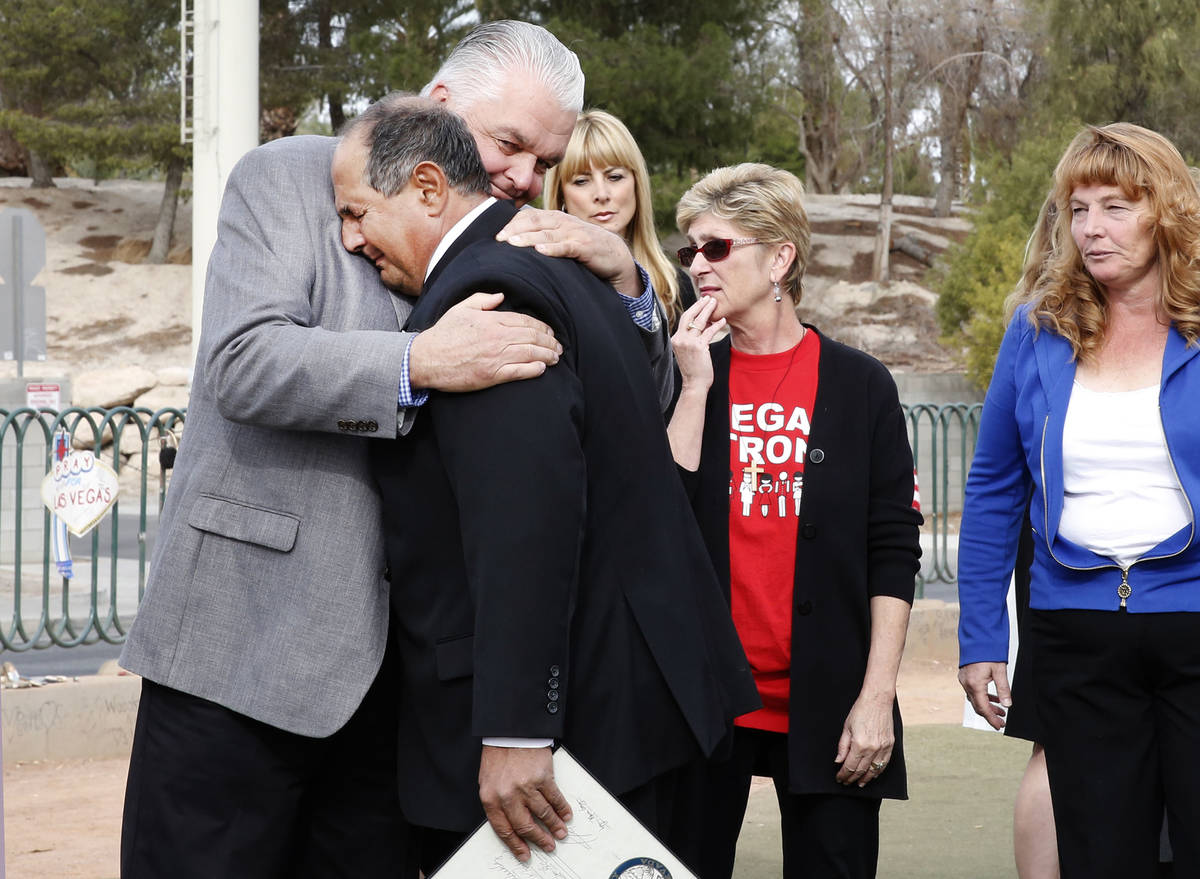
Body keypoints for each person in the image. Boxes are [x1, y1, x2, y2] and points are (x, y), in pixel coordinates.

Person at [118, 20, 675, 878]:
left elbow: (625, 405)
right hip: (243, 657)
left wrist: (629, 284)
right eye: (512, 145)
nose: (527, 179)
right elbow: (242, 362)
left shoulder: (525, 234)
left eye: (543, 162)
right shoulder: (286, 177)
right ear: (442, 107)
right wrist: (418, 361)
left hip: (406, 703)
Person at [332, 97, 759, 873]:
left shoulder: (486, 293)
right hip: (629, 716)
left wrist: (518, 728)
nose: (349, 238)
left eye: (358, 212)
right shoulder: (563, 266)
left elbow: (524, 519)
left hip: (566, 755)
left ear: (429, 190)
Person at [957, 122, 1200, 879]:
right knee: (1100, 857)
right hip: (1074, 631)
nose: (1091, 228)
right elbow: (994, 485)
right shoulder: (1037, 330)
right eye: (1078, 208)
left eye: (1114, 207)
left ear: (1165, 211)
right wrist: (981, 636)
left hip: (1193, 622)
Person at [667, 163, 923, 879]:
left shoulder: (860, 384)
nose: (697, 266)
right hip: (707, 701)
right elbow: (661, 524)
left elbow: (892, 547)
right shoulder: (685, 373)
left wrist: (876, 699)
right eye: (689, 251)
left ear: (780, 258)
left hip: (829, 701)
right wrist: (691, 388)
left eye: (716, 247)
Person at [544, 109, 695, 330]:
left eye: (614, 177)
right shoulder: (545, 283)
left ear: (636, 183)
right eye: (581, 181)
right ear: (560, 195)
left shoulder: (675, 288)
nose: (602, 194)